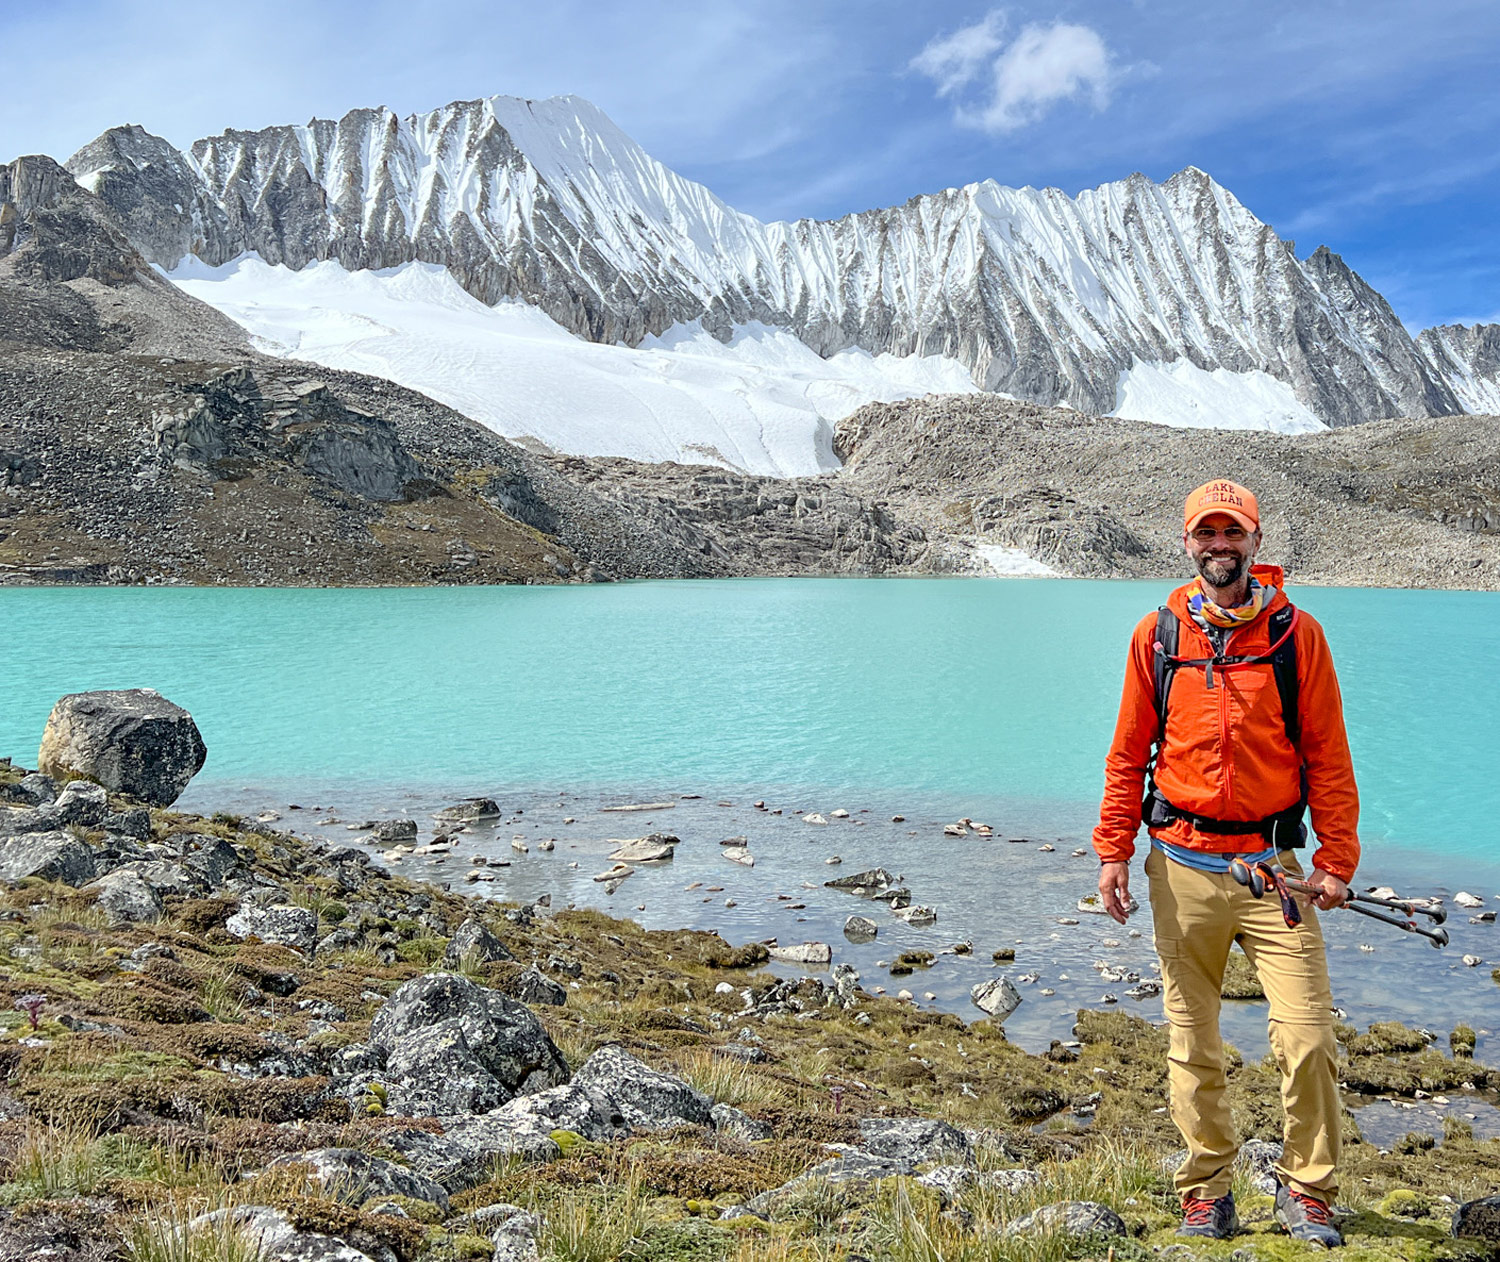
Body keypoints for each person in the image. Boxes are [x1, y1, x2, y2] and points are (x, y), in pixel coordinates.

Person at [1092, 478, 1359, 1247]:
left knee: (1307, 1037)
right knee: (1192, 1041)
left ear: (1255, 542)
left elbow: (1328, 759)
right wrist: (1114, 850)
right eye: (1206, 534)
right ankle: (1206, 1189)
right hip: (1180, 867)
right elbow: (1127, 753)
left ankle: (1307, 1190)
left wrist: (1336, 859)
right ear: (1186, 543)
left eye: (1232, 533)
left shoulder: (1296, 636)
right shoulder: (1158, 636)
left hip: (1277, 870)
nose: (1220, 546)